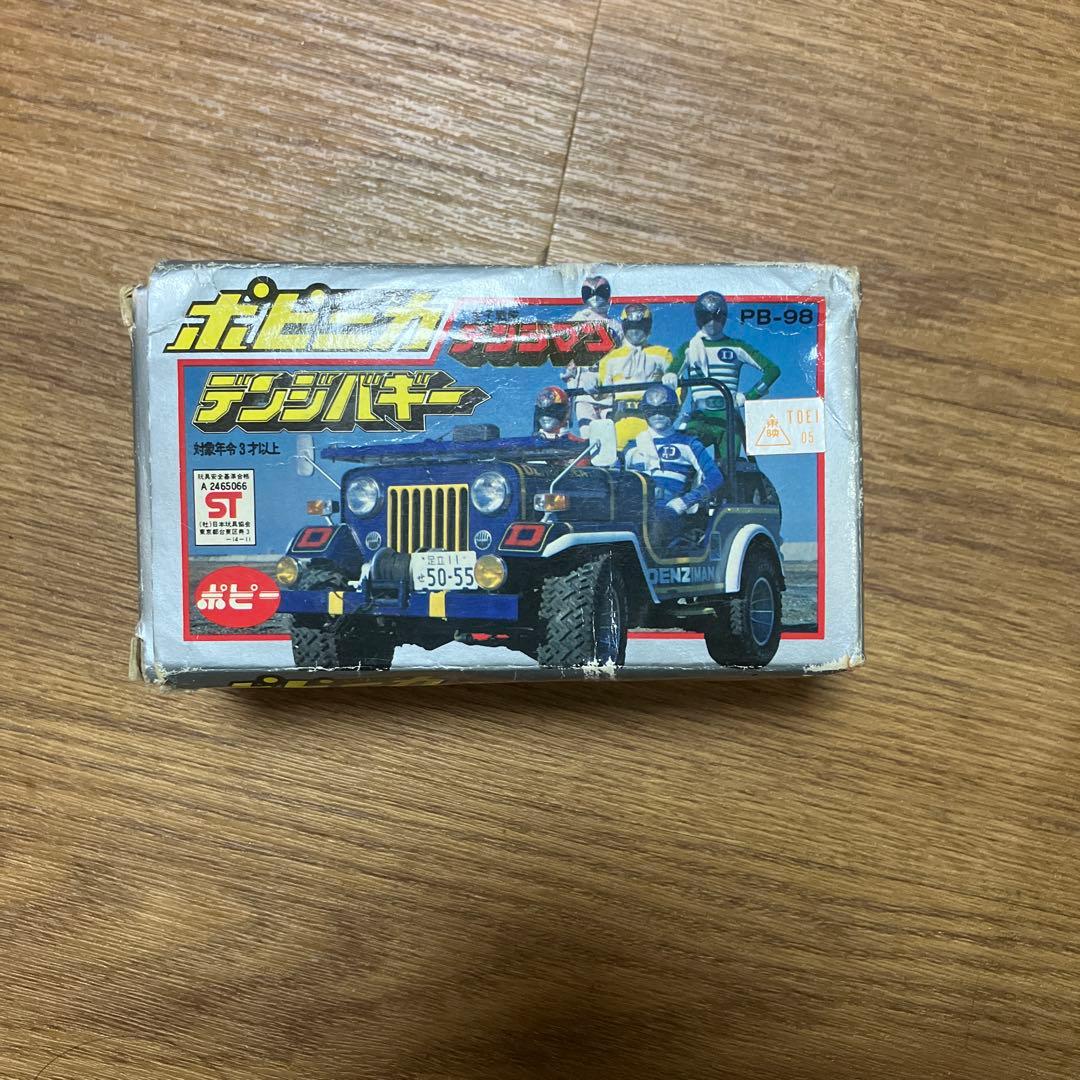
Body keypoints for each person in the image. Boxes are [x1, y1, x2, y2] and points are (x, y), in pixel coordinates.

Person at [670, 292, 780, 452]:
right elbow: (671, 373)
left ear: (724, 317)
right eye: (706, 316)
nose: (712, 322)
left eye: (717, 316)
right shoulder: (688, 348)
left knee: (730, 464)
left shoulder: (737, 346)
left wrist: (749, 396)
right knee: (684, 454)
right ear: (699, 318)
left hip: (728, 415)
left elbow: (772, 370)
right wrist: (670, 376)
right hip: (699, 416)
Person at [623, 384, 724, 550]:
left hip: (669, 509)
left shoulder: (688, 443)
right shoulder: (632, 447)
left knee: (655, 522)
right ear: (644, 412)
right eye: (651, 410)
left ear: (674, 411)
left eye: (664, 409)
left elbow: (715, 477)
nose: (657, 415)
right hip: (634, 507)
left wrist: (684, 502)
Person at [597, 303, 676, 448]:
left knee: (654, 457)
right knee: (617, 457)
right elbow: (601, 392)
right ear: (624, 327)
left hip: (653, 422)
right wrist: (592, 384)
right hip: (620, 422)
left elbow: (678, 386)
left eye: (640, 326)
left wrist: (671, 415)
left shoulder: (662, 353)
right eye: (631, 326)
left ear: (648, 327)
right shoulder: (609, 359)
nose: (635, 331)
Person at [562, 275, 623, 435]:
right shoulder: (576, 320)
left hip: (609, 387)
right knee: (588, 434)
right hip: (584, 386)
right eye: (589, 293)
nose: (595, 297)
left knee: (611, 435)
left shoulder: (617, 326)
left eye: (600, 292)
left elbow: (622, 357)